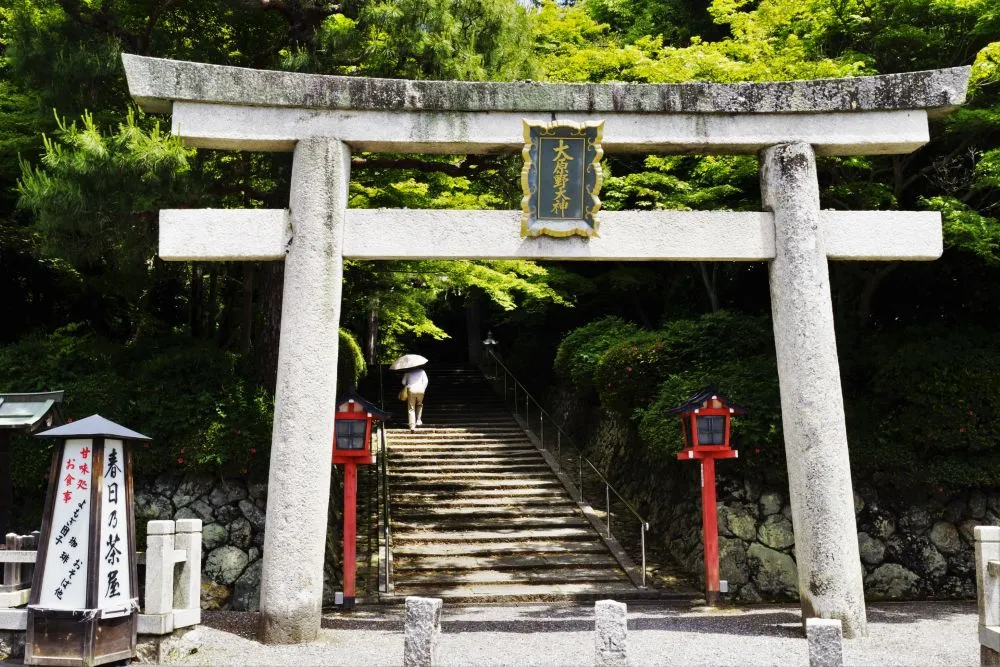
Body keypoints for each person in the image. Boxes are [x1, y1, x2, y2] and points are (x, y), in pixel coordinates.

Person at [402, 366, 428, 431]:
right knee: (419, 404)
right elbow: (426, 381)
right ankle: (418, 420)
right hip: (421, 390)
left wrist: (408, 381)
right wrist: (423, 389)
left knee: (411, 408)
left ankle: (412, 426)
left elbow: (403, 382)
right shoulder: (422, 371)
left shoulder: (407, 372)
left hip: (411, 390)